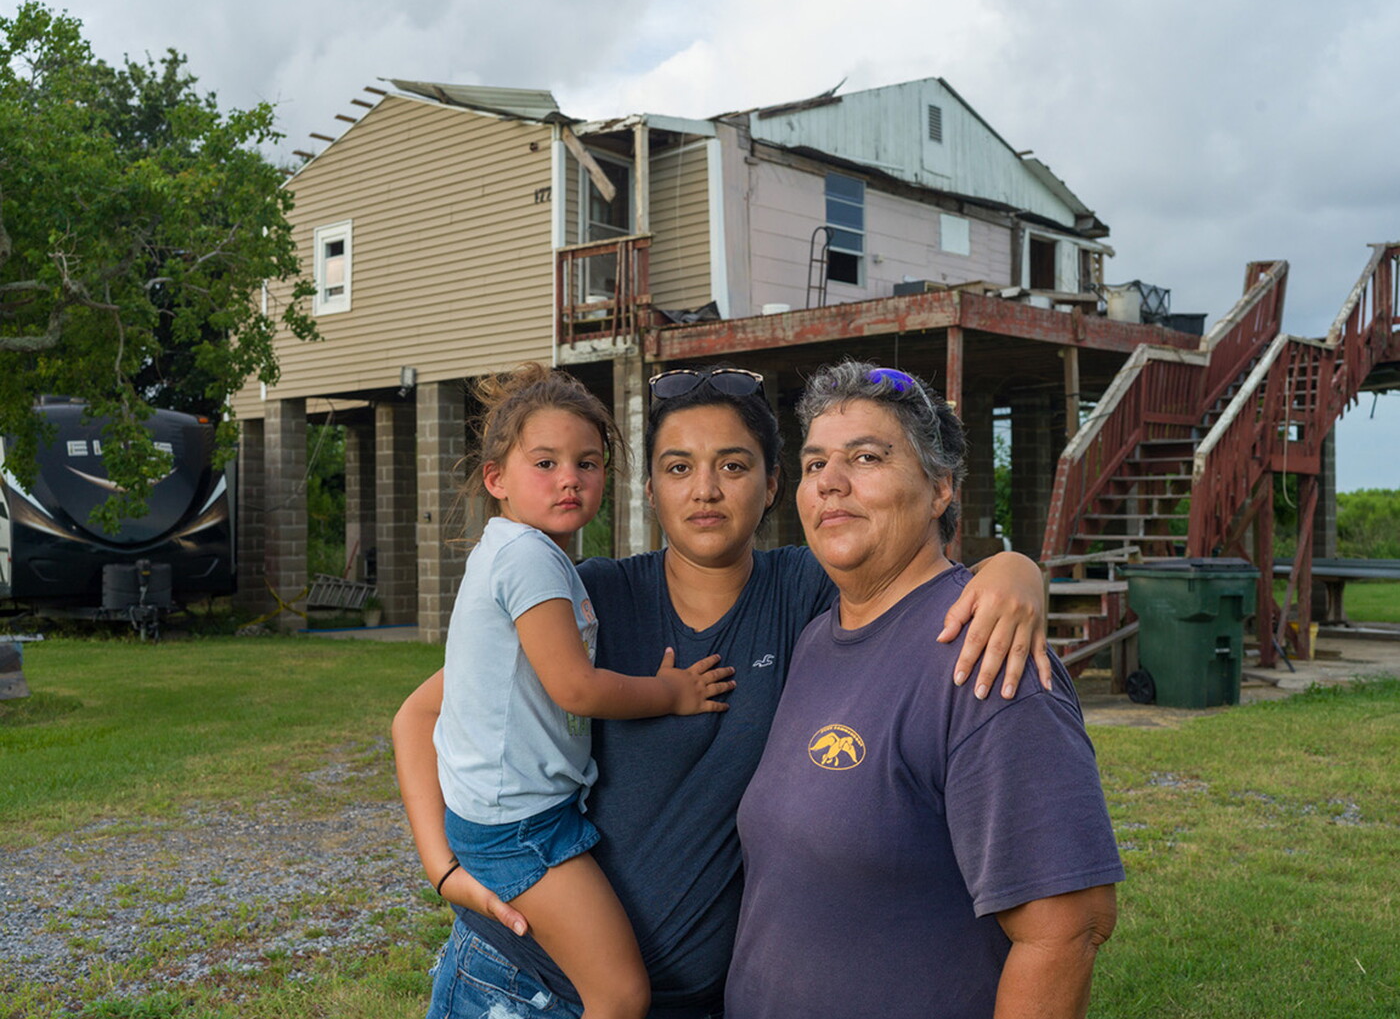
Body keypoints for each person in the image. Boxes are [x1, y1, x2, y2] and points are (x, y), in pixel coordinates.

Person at [393, 363, 1054, 1019]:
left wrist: (1015, 570)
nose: (705, 489)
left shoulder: (805, 592)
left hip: (701, 1001)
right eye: (678, 468)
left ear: (772, 485)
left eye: (734, 466)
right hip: (527, 985)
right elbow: (421, 712)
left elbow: (910, 568)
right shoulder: (589, 599)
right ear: (649, 489)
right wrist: (444, 868)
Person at [725, 361, 1124, 1019]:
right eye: (815, 463)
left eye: (868, 456)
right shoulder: (816, 640)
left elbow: (1065, 927)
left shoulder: (987, 655)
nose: (830, 481)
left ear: (940, 487)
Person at [432, 363, 737, 1019]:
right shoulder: (529, 558)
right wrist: (671, 692)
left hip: (507, 816)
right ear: (496, 479)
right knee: (620, 994)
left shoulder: (516, 553)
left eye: (587, 462)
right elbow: (575, 687)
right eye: (545, 462)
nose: (570, 476)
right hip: (522, 827)